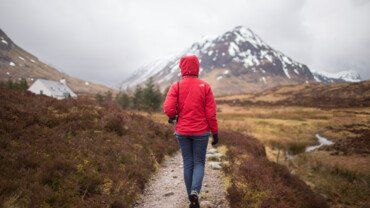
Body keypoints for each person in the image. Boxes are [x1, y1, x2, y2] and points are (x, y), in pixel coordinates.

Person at [163, 54, 219, 208]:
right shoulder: (205, 86)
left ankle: (192, 199)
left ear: (182, 67)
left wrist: (172, 116)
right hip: (201, 132)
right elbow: (211, 114)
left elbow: (168, 108)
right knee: (199, 162)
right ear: (197, 67)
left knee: (188, 162)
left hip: (182, 131)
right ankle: (195, 192)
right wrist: (215, 132)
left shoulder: (177, 86)